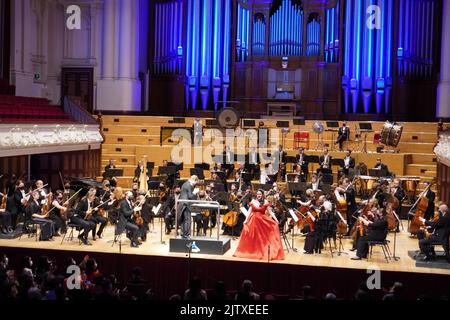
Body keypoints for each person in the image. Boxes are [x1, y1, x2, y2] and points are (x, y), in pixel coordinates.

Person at [233, 190, 285, 260]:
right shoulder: (253, 201)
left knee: (262, 237)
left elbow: (271, 212)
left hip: (262, 221)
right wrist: (246, 220)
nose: (258, 195)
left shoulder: (266, 202)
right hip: (253, 220)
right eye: (257, 194)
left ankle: (262, 250)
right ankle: (253, 250)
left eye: (260, 194)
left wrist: (276, 220)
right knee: (252, 236)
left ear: (262, 195)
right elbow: (249, 211)